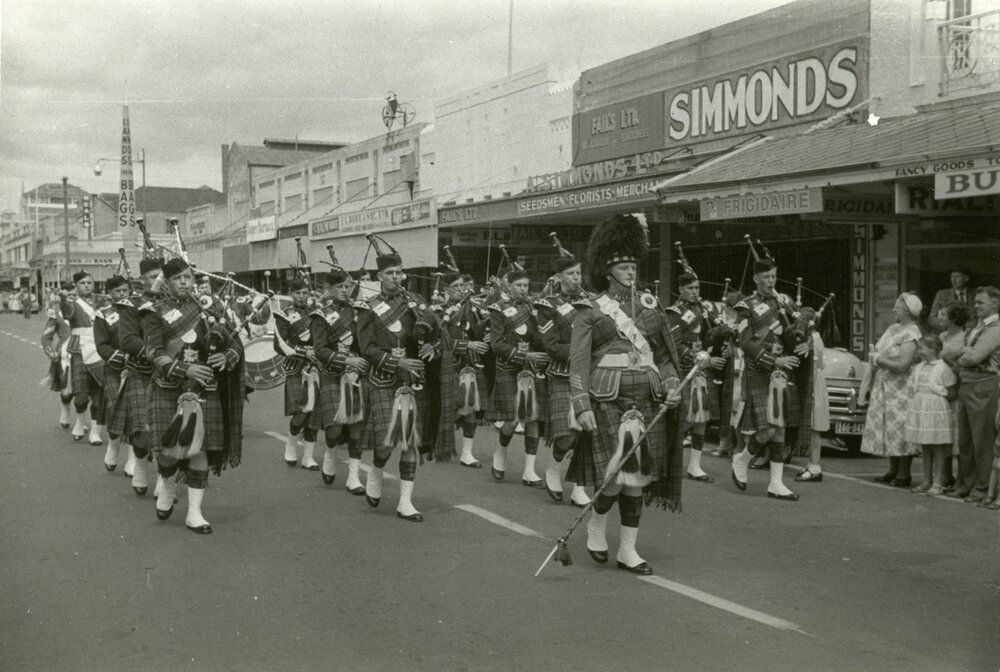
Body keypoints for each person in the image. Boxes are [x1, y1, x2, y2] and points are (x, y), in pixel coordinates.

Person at [571, 213, 684, 576]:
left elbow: (666, 358)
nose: (631, 271)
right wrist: (581, 405)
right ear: (607, 270)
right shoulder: (590, 312)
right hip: (607, 400)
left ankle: (629, 550)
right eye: (623, 266)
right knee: (615, 475)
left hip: (647, 398)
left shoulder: (651, 309)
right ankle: (596, 523)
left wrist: (670, 384)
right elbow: (578, 364)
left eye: (633, 264)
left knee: (637, 477)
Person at [142, 258, 246, 534]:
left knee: (199, 451)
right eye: (178, 279)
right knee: (168, 454)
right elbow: (154, 352)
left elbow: (236, 339)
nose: (184, 282)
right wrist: (186, 369)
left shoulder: (210, 307)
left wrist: (228, 355)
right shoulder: (155, 312)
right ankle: (166, 483)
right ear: (166, 282)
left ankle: (194, 513)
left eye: (188, 277)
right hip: (169, 389)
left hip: (205, 390)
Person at [356, 238, 441, 522]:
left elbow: (437, 336)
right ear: (379, 276)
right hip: (383, 379)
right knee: (385, 442)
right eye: (390, 273)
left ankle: (405, 501)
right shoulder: (368, 307)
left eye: (399, 272)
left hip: (412, 380)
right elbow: (366, 348)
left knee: (409, 442)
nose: (395, 277)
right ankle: (376, 470)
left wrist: (431, 346)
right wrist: (397, 361)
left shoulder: (416, 303)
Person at [730, 255, 807, 500]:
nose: (771, 281)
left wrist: (804, 341)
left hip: (782, 372)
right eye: (766, 277)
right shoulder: (746, 307)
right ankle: (741, 461)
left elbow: (792, 334)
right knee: (768, 429)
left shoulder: (783, 303)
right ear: (755, 278)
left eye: (773, 276)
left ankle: (776, 483)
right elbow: (745, 343)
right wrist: (774, 360)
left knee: (780, 429)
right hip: (760, 371)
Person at [535, 251, 592, 507]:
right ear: (558, 277)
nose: (576, 278)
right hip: (561, 374)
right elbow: (551, 345)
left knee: (586, 434)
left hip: (590, 376)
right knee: (567, 435)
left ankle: (579, 486)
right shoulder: (548, 305)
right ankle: (553, 467)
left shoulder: (592, 302)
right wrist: (581, 355)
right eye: (570, 273)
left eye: (578, 273)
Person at [486, 268, 550, 486]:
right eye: (519, 286)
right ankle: (500, 453)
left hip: (530, 369)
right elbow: (496, 344)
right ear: (509, 287)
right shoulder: (498, 309)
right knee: (513, 420)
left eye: (526, 285)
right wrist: (523, 354)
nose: (523, 289)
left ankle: (529, 471)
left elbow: (540, 339)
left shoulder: (533, 308)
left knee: (533, 418)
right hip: (508, 367)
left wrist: (539, 324)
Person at [310, 264, 370, 492]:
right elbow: (320, 350)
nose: (345, 290)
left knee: (356, 428)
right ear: (328, 288)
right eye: (340, 286)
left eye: (348, 286)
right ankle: (331, 452)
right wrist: (346, 361)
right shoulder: (320, 315)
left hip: (356, 375)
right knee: (334, 429)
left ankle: (353, 477)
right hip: (333, 374)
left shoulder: (359, 312)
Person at [666, 272, 727, 483]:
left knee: (702, 419)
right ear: (681, 289)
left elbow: (710, 336)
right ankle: (665, 459)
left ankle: (695, 466)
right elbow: (675, 343)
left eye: (697, 288)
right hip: (685, 369)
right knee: (684, 420)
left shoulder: (704, 310)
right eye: (690, 288)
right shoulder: (674, 312)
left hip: (702, 370)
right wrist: (699, 359)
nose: (695, 292)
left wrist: (724, 338)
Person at [860, 293, 922, 486]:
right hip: (885, 384)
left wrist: (879, 359)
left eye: (897, 306)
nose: (894, 309)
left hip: (901, 388)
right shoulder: (893, 328)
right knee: (889, 427)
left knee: (901, 427)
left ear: (908, 310)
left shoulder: (912, 333)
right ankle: (893, 469)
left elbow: (903, 364)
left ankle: (904, 474)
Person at [116, 257, 165, 496]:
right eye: (152, 276)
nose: (157, 280)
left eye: (161, 276)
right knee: (143, 432)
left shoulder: (174, 303)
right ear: (141, 279)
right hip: (142, 372)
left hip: (170, 374)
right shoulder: (131, 305)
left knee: (168, 431)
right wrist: (154, 353)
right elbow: (126, 339)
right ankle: (141, 470)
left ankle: (166, 483)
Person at [949, 286, 1000, 503]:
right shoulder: (975, 328)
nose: (976, 306)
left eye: (981, 302)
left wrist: (961, 354)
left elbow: (975, 357)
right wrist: (962, 352)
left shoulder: (996, 328)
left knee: (982, 439)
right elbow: (947, 352)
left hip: (984, 384)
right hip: (967, 383)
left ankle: (981, 486)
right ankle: (966, 483)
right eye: (976, 302)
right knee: (966, 439)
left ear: (995, 303)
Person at [438, 273, 491, 469]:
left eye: (462, 286)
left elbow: (477, 332)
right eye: (456, 286)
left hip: (469, 364)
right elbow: (439, 341)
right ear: (446, 290)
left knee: (471, 407)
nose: (461, 289)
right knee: (449, 408)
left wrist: (487, 334)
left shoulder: (472, 309)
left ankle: (467, 452)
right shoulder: (438, 311)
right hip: (448, 365)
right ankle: (439, 441)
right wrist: (469, 345)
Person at [274, 279, 321, 470]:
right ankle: (291, 444)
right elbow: (279, 344)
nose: (302, 296)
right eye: (298, 293)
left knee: (313, 415)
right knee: (301, 413)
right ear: (291, 294)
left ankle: (308, 457)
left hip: (316, 367)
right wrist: (303, 352)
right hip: (295, 367)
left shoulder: (316, 314)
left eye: (305, 293)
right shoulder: (284, 315)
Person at [905, 334, 956, 496]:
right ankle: (926, 481)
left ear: (933, 349)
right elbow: (913, 386)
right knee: (925, 446)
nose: (919, 352)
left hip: (936, 409)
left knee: (938, 446)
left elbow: (952, 390)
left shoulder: (942, 367)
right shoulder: (919, 368)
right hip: (921, 408)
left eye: (921, 348)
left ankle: (938, 482)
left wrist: (937, 401)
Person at [60, 271, 106, 445]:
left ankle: (95, 431)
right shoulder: (72, 304)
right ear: (76, 286)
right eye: (82, 283)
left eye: (89, 283)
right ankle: (80, 422)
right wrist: (63, 299)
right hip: (79, 351)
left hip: (99, 350)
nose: (87, 286)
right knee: (80, 396)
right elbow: (67, 313)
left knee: (98, 394)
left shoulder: (101, 302)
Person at [93, 275, 133, 473]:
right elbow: (101, 345)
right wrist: (121, 358)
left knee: (135, 414)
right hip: (115, 369)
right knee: (115, 409)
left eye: (125, 290)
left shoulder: (138, 310)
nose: (123, 294)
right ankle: (113, 445)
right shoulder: (103, 315)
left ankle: (134, 459)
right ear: (110, 294)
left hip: (137, 368)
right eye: (118, 291)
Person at [791, 308, 831, 483]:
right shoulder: (816, 337)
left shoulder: (812, 339)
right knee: (812, 425)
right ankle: (811, 465)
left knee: (814, 426)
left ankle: (815, 467)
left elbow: (814, 363)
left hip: (813, 384)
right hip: (815, 381)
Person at [938, 301, 970, 490]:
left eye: (944, 314)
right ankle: (945, 475)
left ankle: (961, 478)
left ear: (954, 318)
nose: (940, 317)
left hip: (955, 389)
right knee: (945, 436)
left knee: (957, 436)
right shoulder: (942, 336)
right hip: (941, 389)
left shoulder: (964, 337)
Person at [41, 284, 74, 428]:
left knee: (86, 390)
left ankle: (80, 420)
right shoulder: (56, 314)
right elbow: (46, 337)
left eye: (74, 295)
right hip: (65, 355)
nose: (72, 298)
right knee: (67, 391)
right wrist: (51, 351)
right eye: (68, 296)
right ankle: (65, 410)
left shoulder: (89, 312)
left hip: (87, 354)